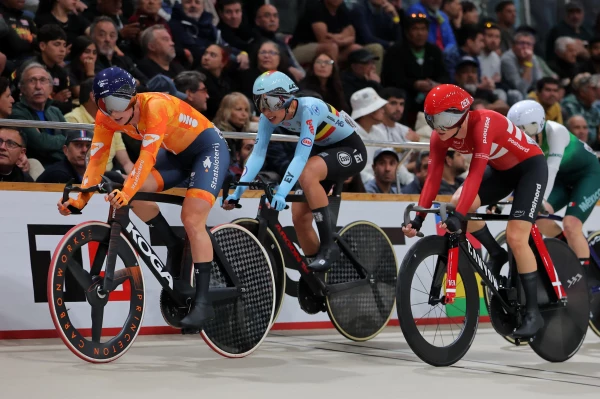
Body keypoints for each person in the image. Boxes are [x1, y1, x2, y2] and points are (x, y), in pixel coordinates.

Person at [57, 66, 231, 330]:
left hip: (207, 149)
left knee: (191, 218)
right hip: (176, 155)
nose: (113, 111)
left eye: (117, 102)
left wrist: (125, 192)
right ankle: (172, 244)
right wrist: (80, 199)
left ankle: (204, 302)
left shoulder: (155, 106)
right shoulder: (107, 117)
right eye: (103, 103)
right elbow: (97, 159)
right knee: (130, 189)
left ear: (133, 95)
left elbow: (147, 157)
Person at [402, 84, 549, 339]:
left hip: (530, 168)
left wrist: (460, 217)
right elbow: (433, 177)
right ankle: (495, 252)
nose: (440, 127)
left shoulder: (484, 123)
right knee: (455, 203)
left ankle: (534, 314)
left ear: (464, 113)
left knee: (516, 237)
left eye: (446, 119)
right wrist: (419, 217)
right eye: (433, 119)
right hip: (501, 171)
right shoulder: (441, 134)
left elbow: (475, 174)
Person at [223, 70, 367, 272]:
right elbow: (257, 155)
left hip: (349, 149)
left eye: (271, 103)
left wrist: (282, 191)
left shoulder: (310, 108)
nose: (266, 111)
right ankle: (314, 277)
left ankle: (328, 247)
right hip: (323, 152)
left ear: (286, 99)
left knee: (307, 173)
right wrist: (237, 192)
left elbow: (300, 156)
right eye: (260, 103)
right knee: (299, 217)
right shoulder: (268, 117)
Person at [507, 100, 600, 270]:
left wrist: (541, 199)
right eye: (518, 131)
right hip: (562, 180)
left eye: (528, 130)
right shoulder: (524, 140)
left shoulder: (556, 131)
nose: (524, 136)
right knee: (539, 218)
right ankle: (566, 247)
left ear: (540, 124)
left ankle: (585, 282)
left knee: (571, 224)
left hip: (587, 176)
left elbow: (551, 168)